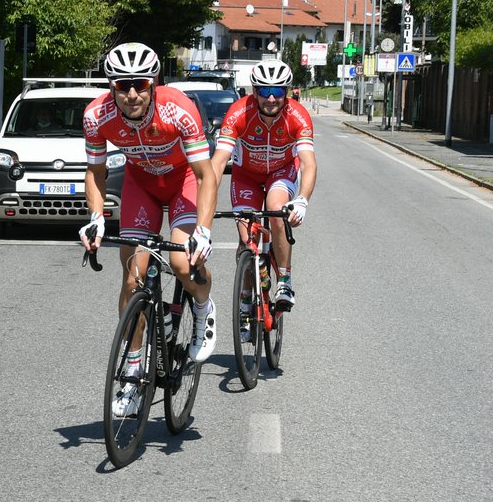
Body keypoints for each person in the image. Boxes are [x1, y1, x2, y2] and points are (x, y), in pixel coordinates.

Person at [78, 42, 219, 418]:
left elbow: (207, 175)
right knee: (132, 278)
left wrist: (203, 230)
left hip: (184, 180)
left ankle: (203, 308)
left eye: (140, 84)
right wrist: (95, 217)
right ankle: (133, 370)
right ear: (111, 86)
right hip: (141, 186)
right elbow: (95, 172)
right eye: (122, 86)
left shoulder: (178, 108)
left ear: (153, 81)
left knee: (181, 261)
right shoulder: (97, 115)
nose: (132, 94)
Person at [209, 58, 316, 316]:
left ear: (287, 92)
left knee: (277, 211)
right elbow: (218, 161)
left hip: (281, 172)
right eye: (264, 91)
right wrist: (205, 199)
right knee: (246, 238)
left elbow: (309, 164)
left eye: (278, 91)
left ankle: (285, 281)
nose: (271, 98)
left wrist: (302, 199)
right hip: (246, 175)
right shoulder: (238, 113)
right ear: (254, 92)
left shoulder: (297, 116)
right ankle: (246, 294)